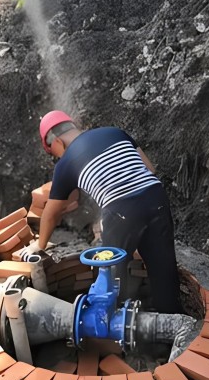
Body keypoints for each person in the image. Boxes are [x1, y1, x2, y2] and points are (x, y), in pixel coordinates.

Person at [19, 111, 182, 314]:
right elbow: (149, 169)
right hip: (156, 197)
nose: (56, 159)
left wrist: (39, 244)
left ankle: (117, 327)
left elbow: (51, 214)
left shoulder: (66, 163)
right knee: (163, 270)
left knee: (111, 275)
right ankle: (174, 322)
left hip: (121, 210)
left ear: (58, 142)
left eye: (53, 154)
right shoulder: (115, 132)